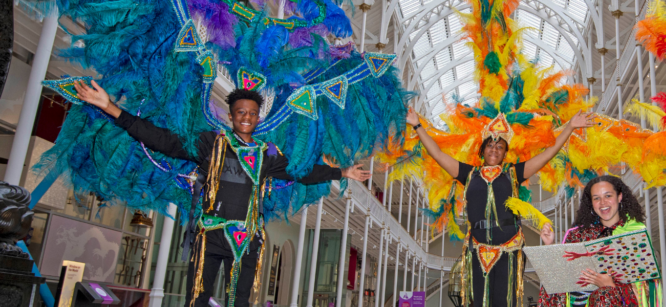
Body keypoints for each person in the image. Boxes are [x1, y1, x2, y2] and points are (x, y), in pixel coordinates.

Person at [73, 80, 372, 307]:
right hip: (210, 235)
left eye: (252, 113)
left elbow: (301, 172)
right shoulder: (209, 143)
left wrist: (341, 173)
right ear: (231, 116)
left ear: (258, 119)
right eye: (241, 112)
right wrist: (110, 107)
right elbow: (160, 140)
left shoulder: (267, 154)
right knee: (198, 299)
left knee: (239, 302)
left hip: (248, 239)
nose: (246, 117)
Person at [406, 109, 594, 307]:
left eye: (500, 146)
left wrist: (571, 127)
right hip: (477, 248)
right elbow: (436, 153)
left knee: (505, 301)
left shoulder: (513, 173)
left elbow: (548, 153)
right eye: (490, 145)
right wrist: (417, 125)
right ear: (482, 149)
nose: (494, 149)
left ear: (506, 152)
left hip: (509, 248)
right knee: (478, 302)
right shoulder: (468, 174)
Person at [537, 175, 661, 307]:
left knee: (604, 294)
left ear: (619, 197)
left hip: (619, 299)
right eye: (597, 198)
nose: (602, 203)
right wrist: (550, 245)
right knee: (549, 285)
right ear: (591, 202)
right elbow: (561, 271)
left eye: (608, 196)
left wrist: (610, 285)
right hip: (579, 298)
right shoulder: (577, 234)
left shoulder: (635, 232)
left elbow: (647, 283)